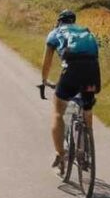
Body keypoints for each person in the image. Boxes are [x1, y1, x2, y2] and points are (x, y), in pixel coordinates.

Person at [41, 9, 101, 168]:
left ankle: (61, 153)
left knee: (58, 112)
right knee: (87, 107)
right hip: (93, 71)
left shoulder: (55, 33)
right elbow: (94, 54)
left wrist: (44, 80)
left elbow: (47, 62)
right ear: (74, 21)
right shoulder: (86, 31)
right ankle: (86, 146)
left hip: (72, 72)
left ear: (59, 21)